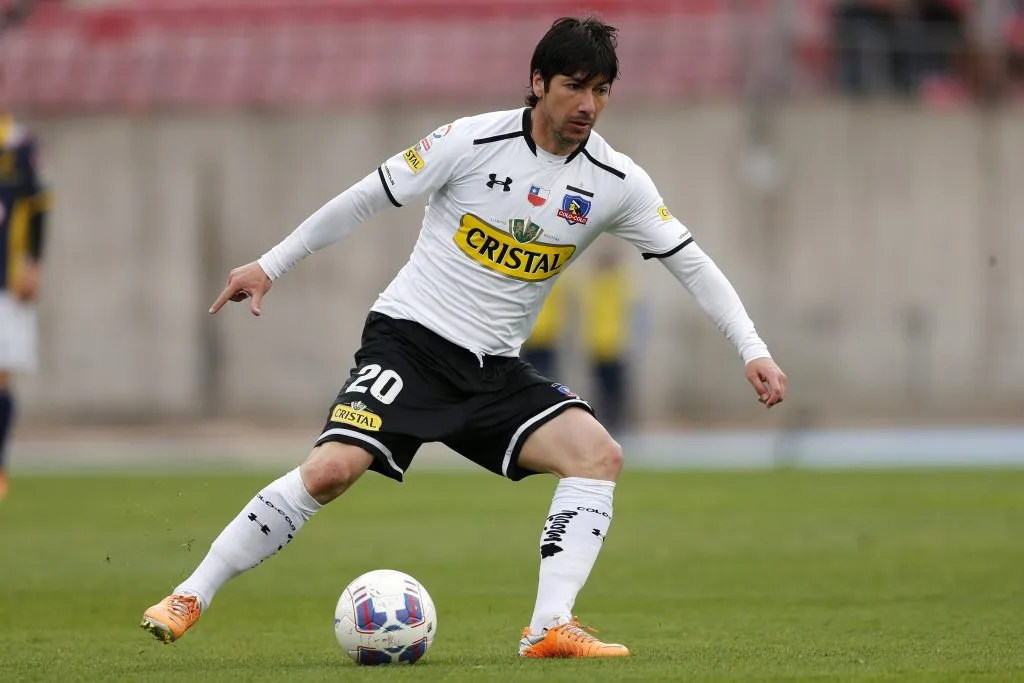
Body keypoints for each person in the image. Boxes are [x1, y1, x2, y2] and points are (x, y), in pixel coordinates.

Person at [140, 15, 787, 658]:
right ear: (538, 82)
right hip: (411, 341)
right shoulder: (470, 141)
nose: (588, 105)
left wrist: (751, 347)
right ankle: (191, 593)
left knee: (598, 455)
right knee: (334, 469)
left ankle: (549, 625)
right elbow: (366, 197)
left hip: (492, 370)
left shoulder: (616, 183)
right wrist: (269, 265)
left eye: (601, 90)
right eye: (574, 85)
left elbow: (692, 262)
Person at [0, 110, 50, 502]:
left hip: (6, 281)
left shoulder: (16, 141)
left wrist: (33, 263)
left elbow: (38, 203)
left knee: (2, 376)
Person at [581, 249, 634, 437]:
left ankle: (618, 423)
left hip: (615, 346)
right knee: (603, 390)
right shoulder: (596, 285)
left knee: (615, 390)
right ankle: (607, 423)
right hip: (599, 346)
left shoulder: (617, 283)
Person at [520, 275, 568, 379]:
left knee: (545, 374)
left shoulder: (553, 281)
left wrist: (555, 330)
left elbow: (558, 309)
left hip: (545, 339)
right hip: (530, 339)